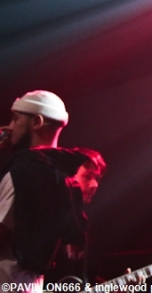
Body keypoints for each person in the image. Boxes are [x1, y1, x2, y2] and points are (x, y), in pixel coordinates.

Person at [0, 90, 87, 291]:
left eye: (15, 119)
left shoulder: (23, 172)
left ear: (36, 122)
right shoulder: (65, 176)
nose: (9, 127)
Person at [44, 148, 106, 285]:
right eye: (87, 177)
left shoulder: (85, 225)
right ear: (69, 177)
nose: (95, 185)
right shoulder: (48, 215)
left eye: (97, 179)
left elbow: (88, 277)